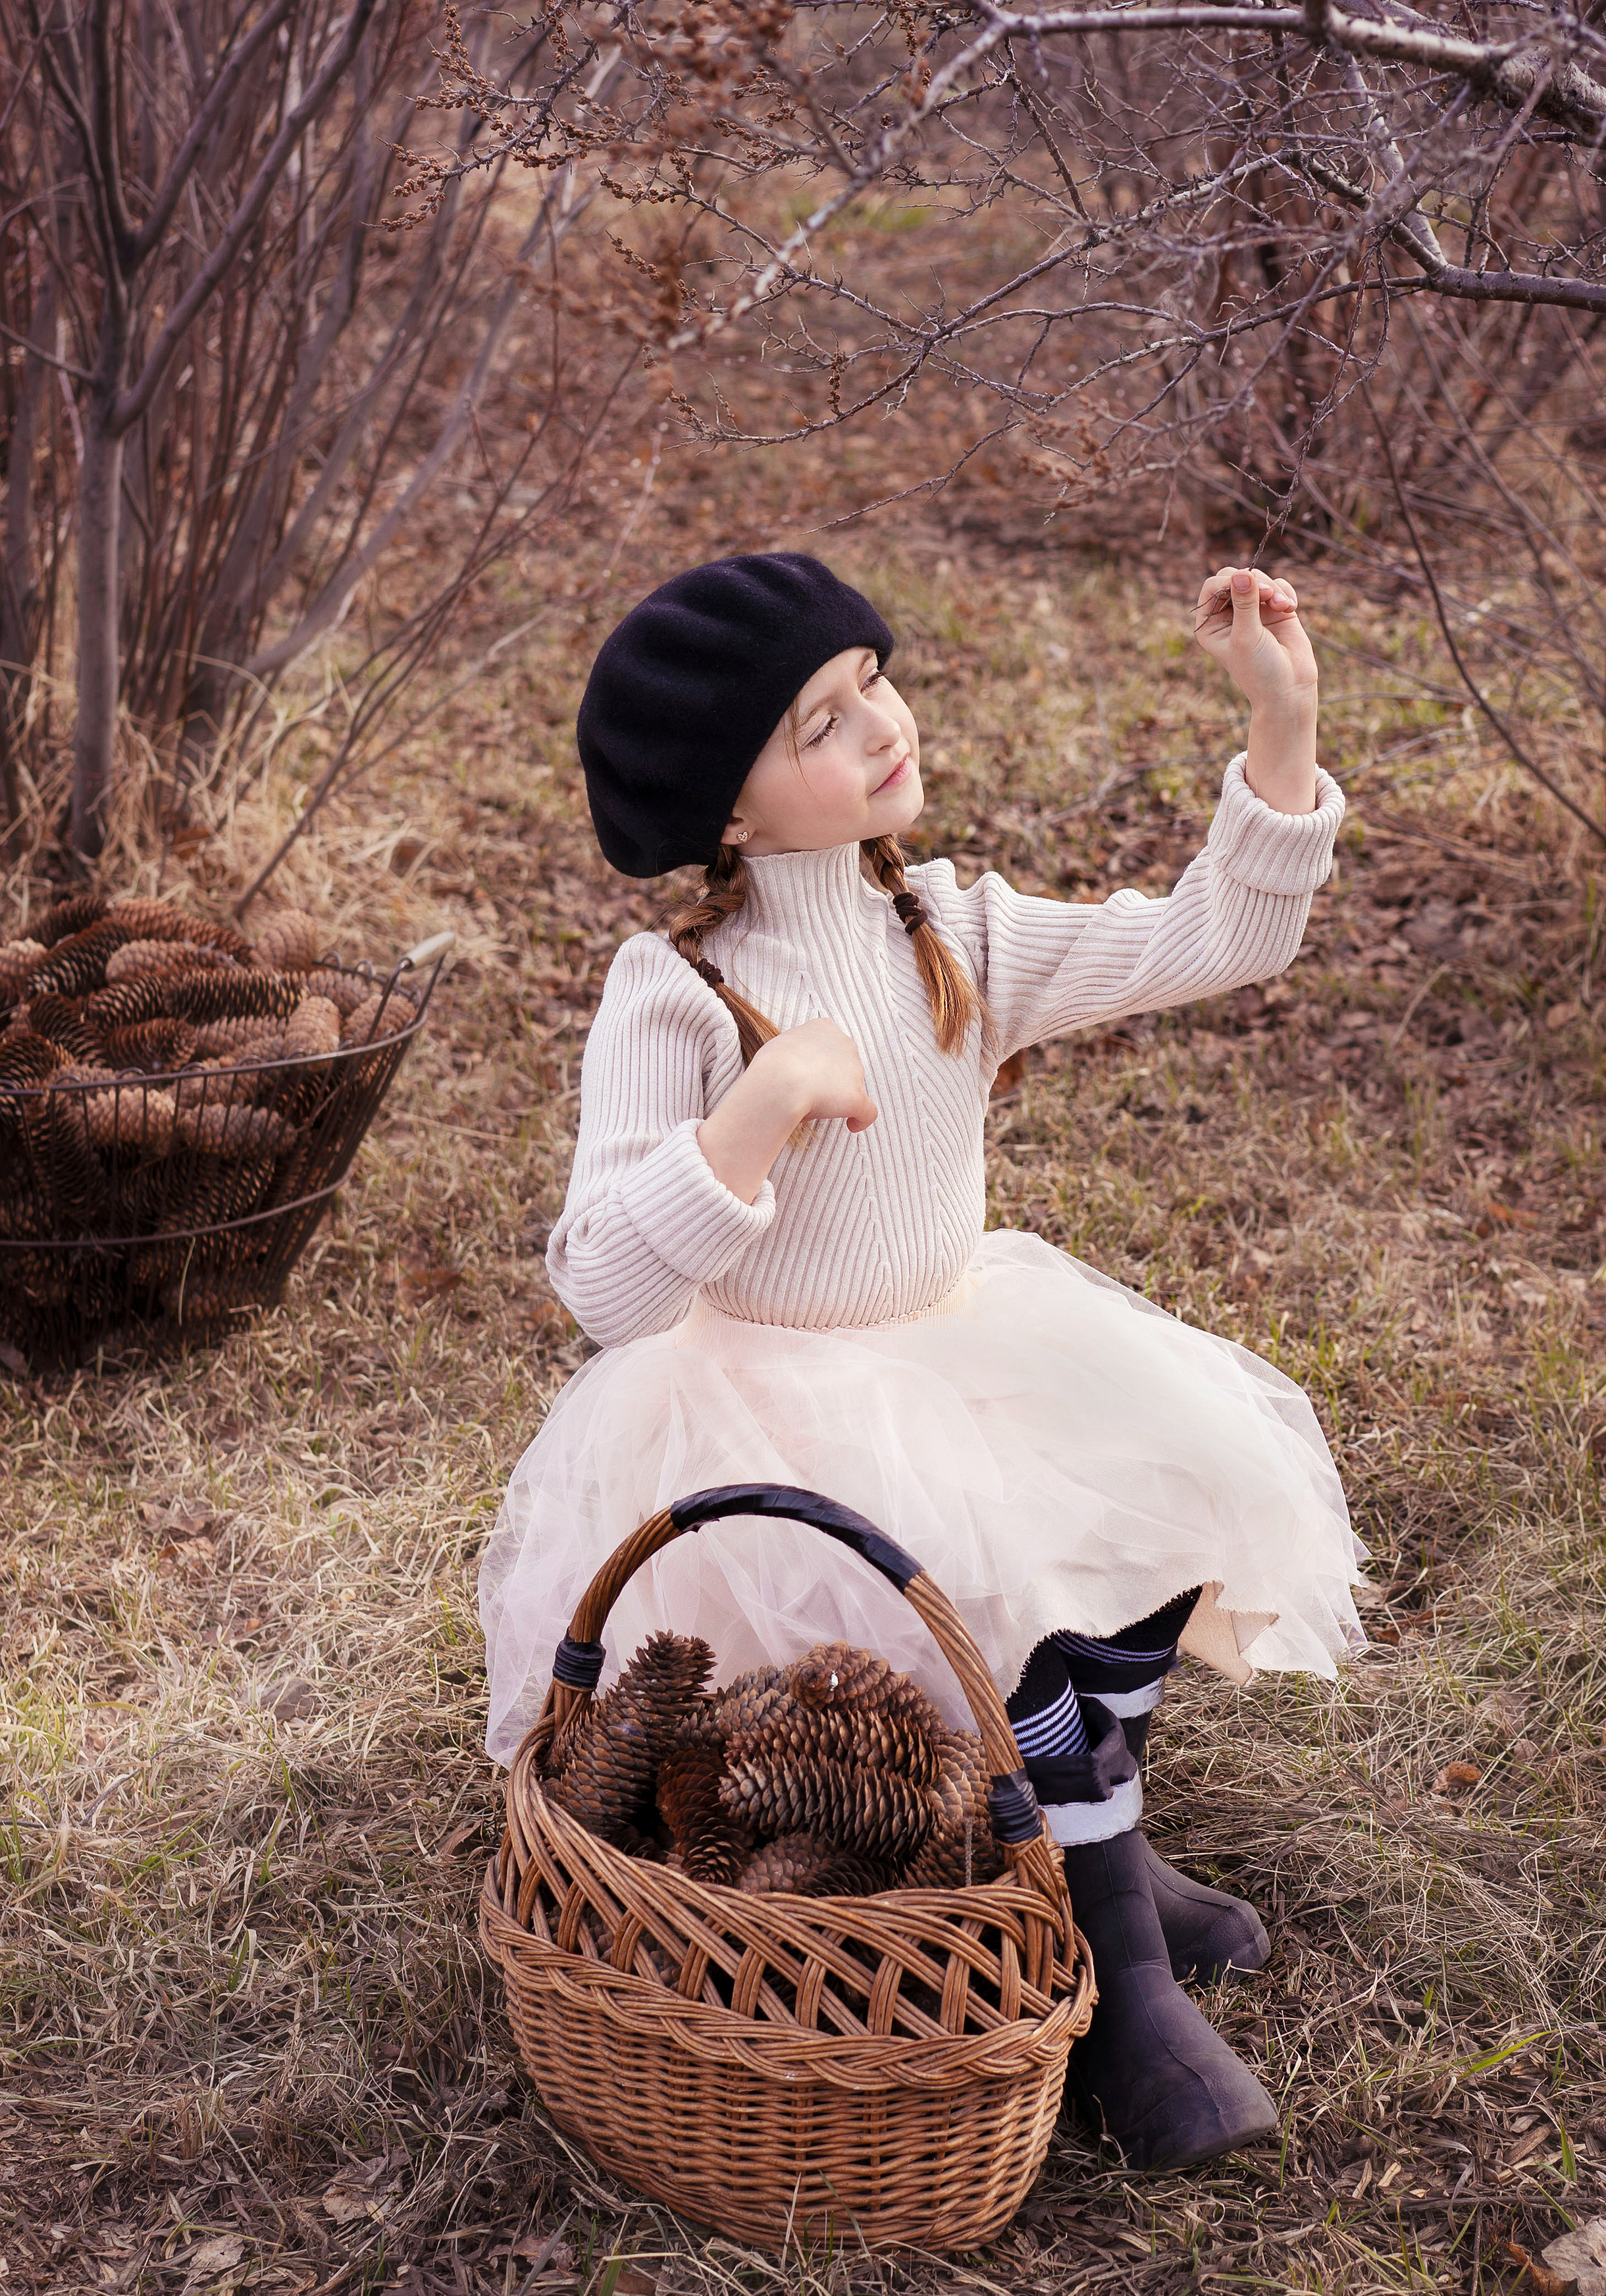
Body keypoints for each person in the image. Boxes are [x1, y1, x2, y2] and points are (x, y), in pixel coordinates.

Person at [479, 552, 1364, 2171]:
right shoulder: (676, 992)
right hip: (779, 1404)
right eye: (820, 721)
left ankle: (1107, 1851)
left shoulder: (946, 921)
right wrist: (755, 1108)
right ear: (728, 815)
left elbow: (1211, 940)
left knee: (1152, 1524)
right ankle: (1114, 1980)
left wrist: (1278, 730)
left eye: (869, 678)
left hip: (967, 1338)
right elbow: (603, 1285)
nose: (878, 723)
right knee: (998, 1636)